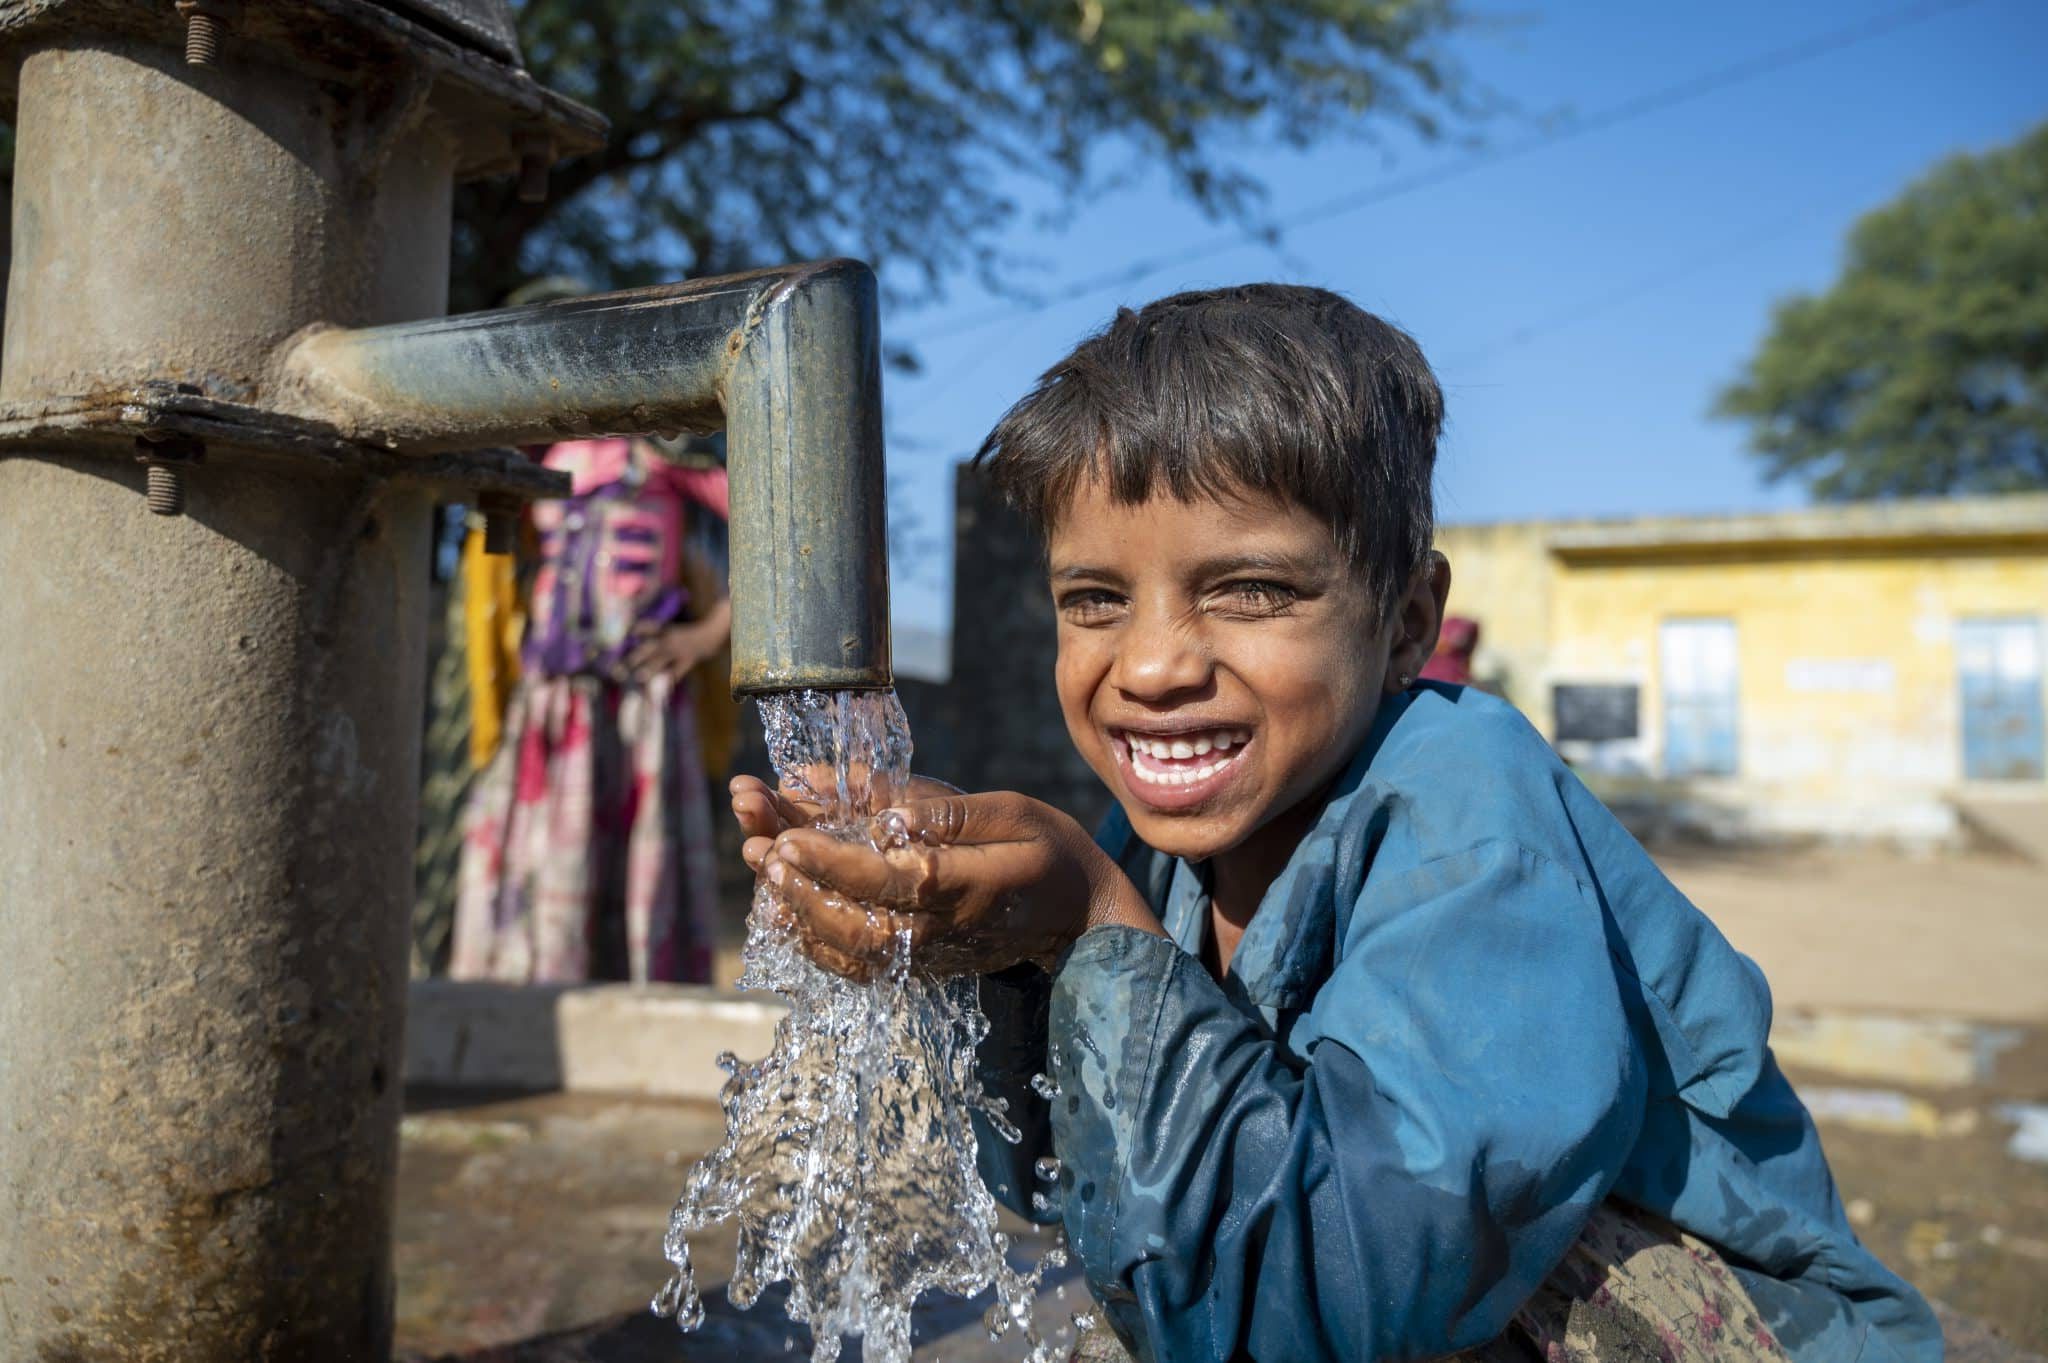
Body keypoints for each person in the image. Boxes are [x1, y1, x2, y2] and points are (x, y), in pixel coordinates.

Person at [729, 286, 1938, 1362]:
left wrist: (1095, 920)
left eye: (1250, 590)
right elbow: (1072, 1184)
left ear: (1407, 619)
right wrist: (994, 955)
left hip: (1711, 1317)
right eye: (1093, 599)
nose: (1149, 665)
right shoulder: (1162, 833)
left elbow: (1341, 1293)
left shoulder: (1470, 818)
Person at [452, 434, 732, 984]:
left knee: (642, 857)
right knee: (543, 846)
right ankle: (530, 989)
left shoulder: (666, 454)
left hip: (641, 703)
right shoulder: (545, 453)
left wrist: (704, 636)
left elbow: (776, 520)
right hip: (554, 698)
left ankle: (640, 1000)